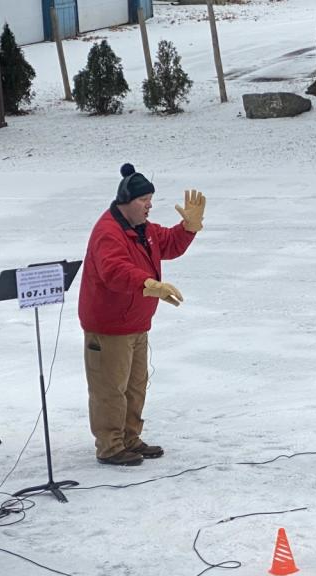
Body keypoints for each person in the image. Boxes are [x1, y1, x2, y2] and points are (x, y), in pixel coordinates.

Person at [78, 163, 206, 466]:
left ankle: (130, 438)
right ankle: (110, 446)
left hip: (135, 323)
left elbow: (169, 244)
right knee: (110, 389)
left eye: (150, 198)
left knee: (135, 386)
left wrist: (188, 228)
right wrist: (149, 284)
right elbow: (114, 270)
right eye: (143, 200)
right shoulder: (108, 232)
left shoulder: (143, 229)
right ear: (125, 202)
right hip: (108, 326)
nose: (149, 205)